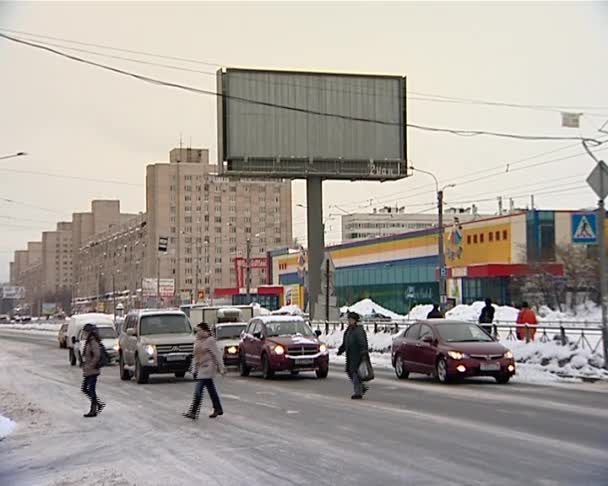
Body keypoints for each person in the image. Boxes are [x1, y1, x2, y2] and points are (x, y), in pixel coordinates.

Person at [184, 322, 225, 420]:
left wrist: (221, 368)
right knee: (211, 390)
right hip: (201, 368)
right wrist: (194, 369)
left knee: (198, 390)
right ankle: (218, 408)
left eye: (198, 331)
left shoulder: (210, 340)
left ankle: (193, 412)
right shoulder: (197, 341)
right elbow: (196, 357)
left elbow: (217, 354)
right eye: (196, 331)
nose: (197, 333)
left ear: (204, 331)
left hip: (208, 368)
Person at [337, 311, 369, 400]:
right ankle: (361, 387)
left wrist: (364, 353)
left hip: (357, 355)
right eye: (349, 319)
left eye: (351, 320)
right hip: (350, 355)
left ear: (355, 320)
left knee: (355, 374)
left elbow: (363, 343)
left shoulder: (359, 330)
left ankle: (358, 393)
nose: (349, 321)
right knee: (349, 371)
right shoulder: (348, 330)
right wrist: (341, 349)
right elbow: (345, 342)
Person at [81, 323, 105, 418]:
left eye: (86, 332)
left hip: (92, 370)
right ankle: (98, 404)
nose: (84, 334)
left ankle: (93, 409)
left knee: (91, 389)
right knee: (85, 389)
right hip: (89, 370)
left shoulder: (92, 341)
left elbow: (97, 355)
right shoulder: (89, 341)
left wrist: (91, 365)